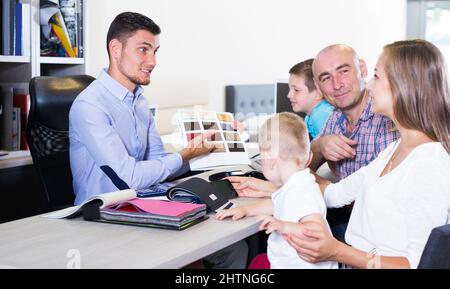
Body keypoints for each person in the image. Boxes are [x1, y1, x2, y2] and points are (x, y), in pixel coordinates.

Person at [69, 12, 247, 269]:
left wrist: (207, 150)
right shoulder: (90, 105)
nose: (152, 61)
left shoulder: (140, 102)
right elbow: (128, 177)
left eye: (155, 51)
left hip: (140, 205)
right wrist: (184, 155)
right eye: (143, 50)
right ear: (116, 49)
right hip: (102, 217)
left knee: (230, 244)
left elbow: (159, 165)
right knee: (205, 254)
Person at [285, 39, 450, 269]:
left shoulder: (429, 165)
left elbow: (416, 265)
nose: (370, 86)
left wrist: (337, 251)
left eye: (377, 76)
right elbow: (334, 194)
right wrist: (278, 178)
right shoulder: (394, 150)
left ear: (403, 85)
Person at [227, 45, 400, 242]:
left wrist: (275, 190)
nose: (337, 84)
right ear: (319, 87)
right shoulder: (334, 118)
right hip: (348, 217)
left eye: (343, 71)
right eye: (326, 78)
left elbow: (376, 206)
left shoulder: (387, 118)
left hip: (371, 232)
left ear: (362, 68)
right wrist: (319, 147)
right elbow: (301, 172)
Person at [216, 112, 338, 269]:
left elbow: (316, 231)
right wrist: (244, 210)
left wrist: (283, 226)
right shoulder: (294, 185)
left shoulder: (301, 192)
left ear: (269, 161)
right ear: (308, 158)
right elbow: (276, 204)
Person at [287, 59, 334, 139]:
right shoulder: (310, 116)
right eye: (289, 89)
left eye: (296, 90)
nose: (289, 95)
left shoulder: (322, 115)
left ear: (318, 93)